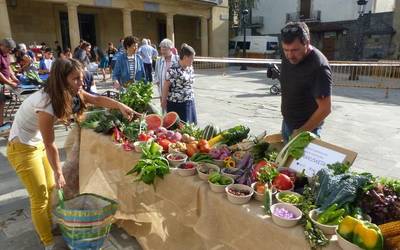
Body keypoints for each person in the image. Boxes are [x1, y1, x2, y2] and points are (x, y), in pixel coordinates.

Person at [6, 58, 139, 250]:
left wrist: (120, 106)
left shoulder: (68, 92)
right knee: (40, 197)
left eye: (82, 78)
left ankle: (51, 224)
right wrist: (59, 172)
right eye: (76, 79)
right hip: (22, 148)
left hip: (37, 143)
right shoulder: (46, 103)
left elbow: (96, 99)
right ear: (62, 79)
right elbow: (51, 143)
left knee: (51, 188)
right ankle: (48, 242)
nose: (81, 83)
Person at [279, 22, 332, 143]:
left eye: (294, 50)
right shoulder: (289, 55)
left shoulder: (319, 67)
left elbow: (325, 109)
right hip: (287, 122)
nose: (289, 55)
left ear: (307, 43)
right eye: (285, 50)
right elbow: (296, 81)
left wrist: (302, 131)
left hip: (306, 130)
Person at [162, 43, 197, 123]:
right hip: (177, 104)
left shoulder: (190, 68)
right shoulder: (173, 69)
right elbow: (166, 86)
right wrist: (163, 102)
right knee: (179, 129)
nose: (193, 60)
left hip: (189, 101)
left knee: (190, 126)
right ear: (185, 57)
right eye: (192, 58)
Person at [0, 38, 19, 132]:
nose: (10, 51)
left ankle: (1, 124)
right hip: (1, 83)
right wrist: (9, 82)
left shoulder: (6, 54)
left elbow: (8, 67)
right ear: (2, 46)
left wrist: (13, 77)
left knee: (1, 103)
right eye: (9, 48)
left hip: (2, 84)